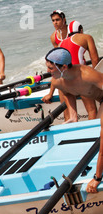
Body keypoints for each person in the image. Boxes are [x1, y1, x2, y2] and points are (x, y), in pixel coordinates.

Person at [40, 48, 103, 194]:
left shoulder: (87, 74)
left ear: (63, 67)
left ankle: (98, 176)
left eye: (50, 68)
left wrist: (97, 178)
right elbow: (64, 90)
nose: (48, 71)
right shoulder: (58, 81)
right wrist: (72, 114)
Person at [59, 20, 100, 120]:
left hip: (64, 81)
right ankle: (92, 133)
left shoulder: (60, 43)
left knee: (69, 115)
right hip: (80, 79)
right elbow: (95, 60)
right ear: (81, 30)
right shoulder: (86, 37)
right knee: (91, 110)